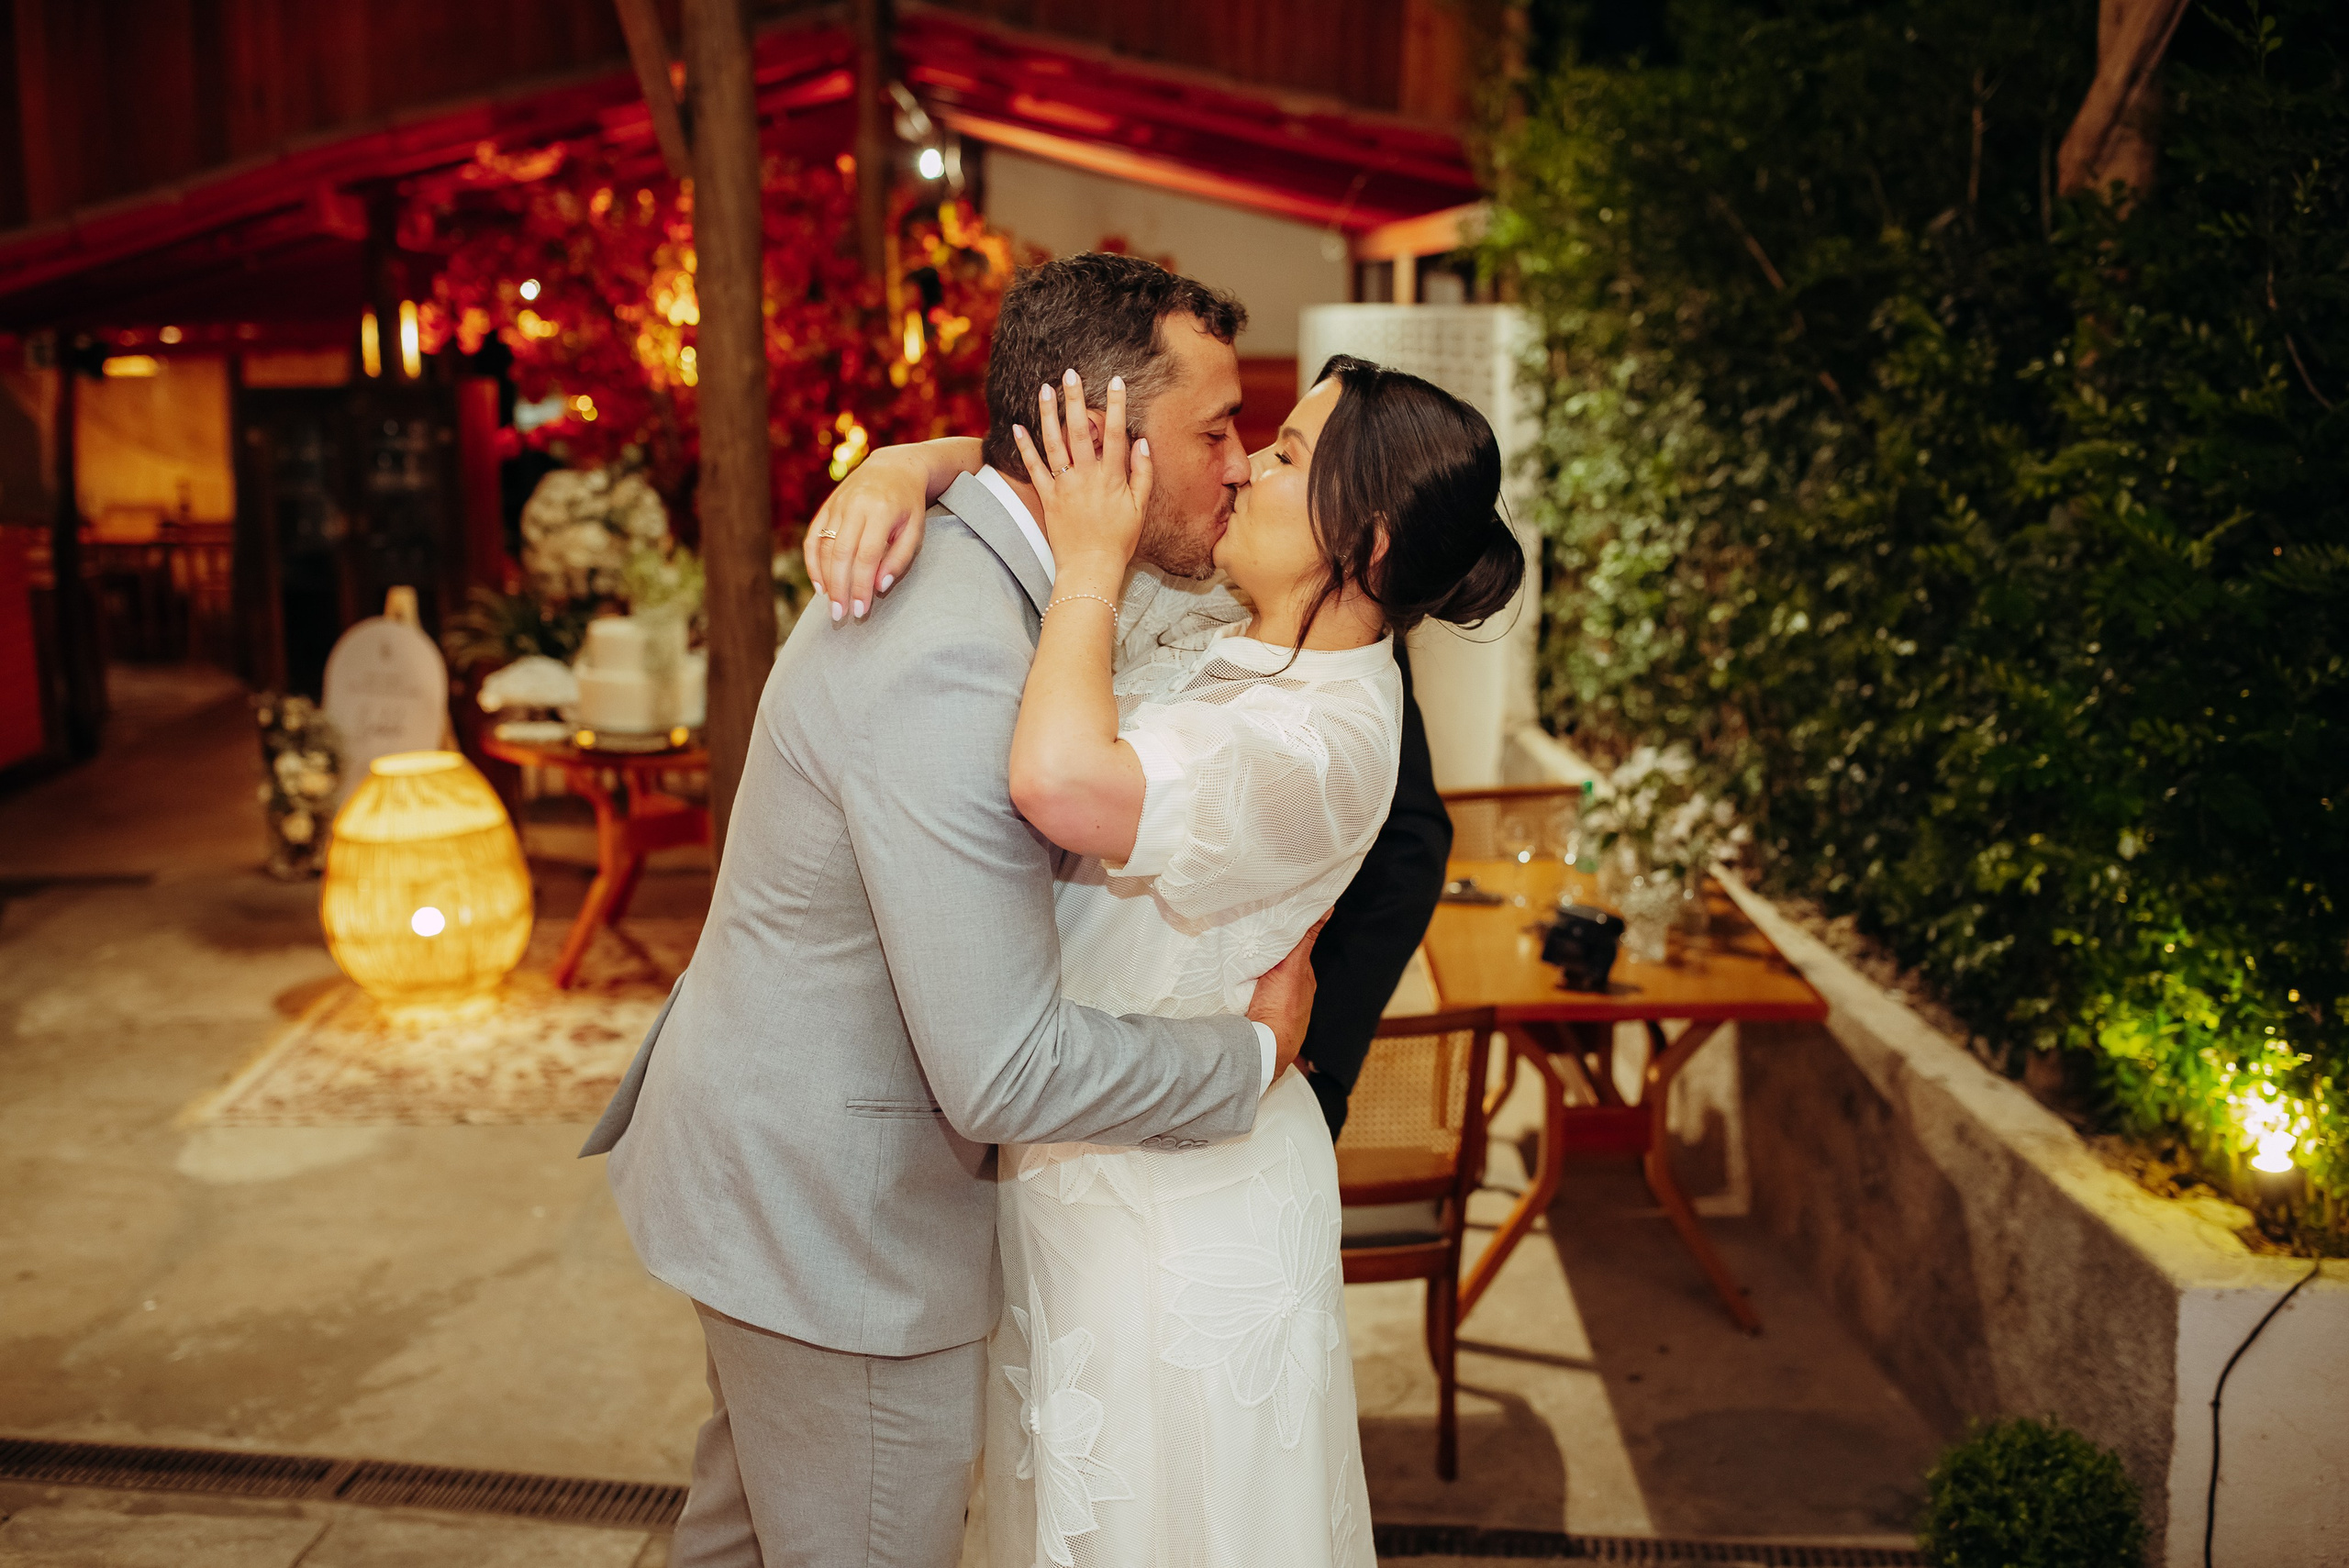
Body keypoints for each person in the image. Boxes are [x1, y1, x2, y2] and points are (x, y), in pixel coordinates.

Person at [579, 256, 1325, 1568]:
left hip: (772, 1159)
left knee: (741, 1541)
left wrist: (910, 458)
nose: (1243, 464)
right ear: (1099, 442)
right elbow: (1002, 1064)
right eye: (1215, 432)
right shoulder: (961, 653)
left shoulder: (990, 550)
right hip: (835, 1221)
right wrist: (1253, 1056)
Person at [819, 269, 1521, 1564]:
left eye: (1284, 451)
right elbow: (1066, 474)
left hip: (1181, 1216)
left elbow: (1059, 779)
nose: (1245, 467)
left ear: (1362, 544)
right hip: (1097, 1166)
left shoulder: (1318, 738)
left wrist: (1086, 569)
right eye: (1242, 437)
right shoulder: (1241, 619)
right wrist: (905, 464)